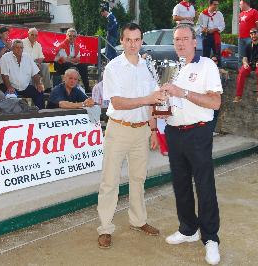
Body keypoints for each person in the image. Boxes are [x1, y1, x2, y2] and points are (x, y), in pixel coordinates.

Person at [97, 22, 165, 249]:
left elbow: (154, 101)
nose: (133, 44)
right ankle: (105, 228)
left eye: (137, 40)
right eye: (129, 40)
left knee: (138, 179)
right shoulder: (113, 68)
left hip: (142, 131)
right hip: (118, 129)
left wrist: (154, 129)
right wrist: (148, 100)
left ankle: (138, 221)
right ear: (122, 41)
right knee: (110, 181)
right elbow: (117, 102)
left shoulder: (148, 67)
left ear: (141, 40)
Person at [161, 24, 222, 265]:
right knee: (181, 184)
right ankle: (188, 229)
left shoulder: (206, 65)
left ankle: (211, 238)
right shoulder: (170, 68)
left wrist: (182, 92)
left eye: (185, 39)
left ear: (194, 41)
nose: (180, 43)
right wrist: (160, 111)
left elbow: (215, 102)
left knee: (204, 185)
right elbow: (164, 100)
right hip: (174, 132)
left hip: (198, 132)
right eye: (177, 40)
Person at [0, 40, 45, 109]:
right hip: (9, 86)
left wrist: (38, 84)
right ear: (12, 48)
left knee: (39, 92)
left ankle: (40, 113)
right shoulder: (5, 57)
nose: (19, 49)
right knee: (10, 100)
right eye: (17, 47)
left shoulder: (27, 57)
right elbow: (4, 75)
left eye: (21, 48)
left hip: (25, 87)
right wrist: (9, 87)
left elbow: (35, 73)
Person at [234, 28, 258, 103]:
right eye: (251, 34)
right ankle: (238, 95)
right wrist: (245, 63)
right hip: (250, 64)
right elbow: (244, 58)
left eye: (254, 33)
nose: (253, 35)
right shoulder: (248, 45)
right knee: (242, 71)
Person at [198, 0, 225, 66]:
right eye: (215, 4)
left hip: (216, 36)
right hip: (206, 36)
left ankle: (218, 70)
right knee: (206, 55)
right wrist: (203, 29)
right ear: (210, 5)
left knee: (217, 54)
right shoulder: (203, 14)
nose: (216, 6)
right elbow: (198, 25)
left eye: (217, 4)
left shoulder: (219, 14)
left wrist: (214, 29)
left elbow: (223, 25)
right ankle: (205, 70)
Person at [238, 0, 258, 66]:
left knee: (250, 56)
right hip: (241, 38)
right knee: (241, 56)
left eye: (240, 4)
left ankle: (251, 71)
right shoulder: (241, 14)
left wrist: (255, 35)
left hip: (250, 38)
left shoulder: (254, 12)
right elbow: (240, 25)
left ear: (245, 3)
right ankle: (240, 72)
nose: (239, 6)